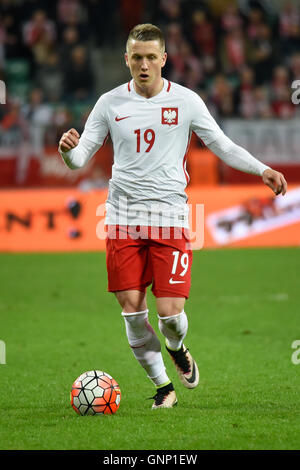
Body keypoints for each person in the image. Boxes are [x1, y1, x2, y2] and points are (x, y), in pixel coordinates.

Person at [58, 23, 287, 409]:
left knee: (170, 315)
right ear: (126, 59)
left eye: (151, 57)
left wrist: (261, 169)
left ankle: (178, 348)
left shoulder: (186, 101)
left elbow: (221, 144)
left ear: (164, 59)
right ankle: (164, 388)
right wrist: (68, 150)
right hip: (122, 217)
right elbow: (80, 159)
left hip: (171, 216)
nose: (144, 65)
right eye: (137, 57)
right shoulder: (110, 104)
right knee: (131, 308)